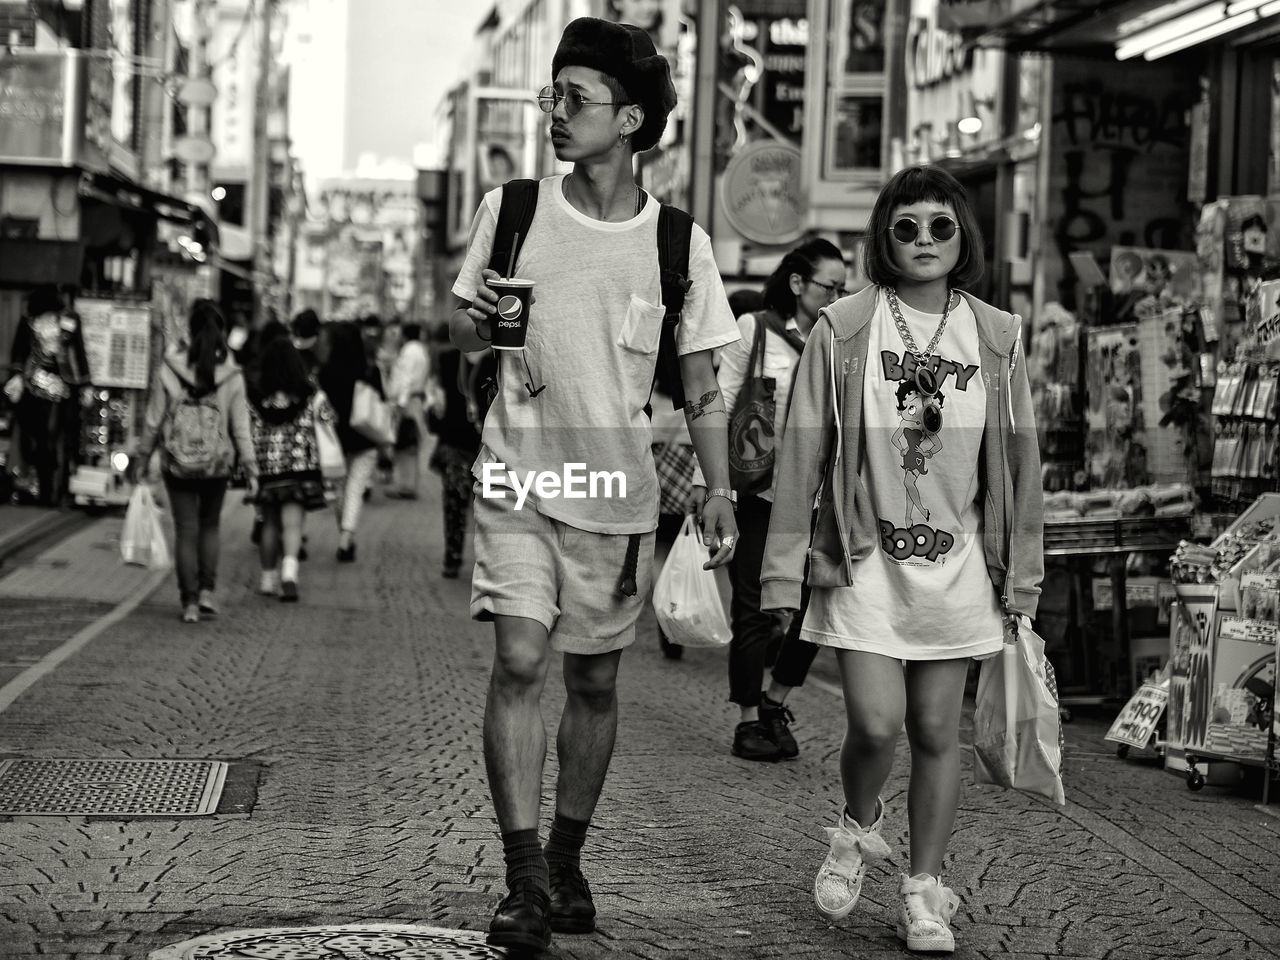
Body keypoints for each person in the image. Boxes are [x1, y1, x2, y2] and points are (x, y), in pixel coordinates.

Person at [449, 17, 740, 953]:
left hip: (615, 494)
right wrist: (482, 325)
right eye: (551, 95)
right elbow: (464, 330)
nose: (554, 113)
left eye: (573, 99)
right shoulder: (516, 209)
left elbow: (701, 384)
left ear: (630, 119)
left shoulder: (679, 245)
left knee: (595, 681)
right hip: (518, 476)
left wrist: (721, 489)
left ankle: (569, 862)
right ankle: (525, 878)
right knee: (522, 661)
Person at [760, 165, 1043, 953]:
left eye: (940, 226)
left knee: (932, 728)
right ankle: (855, 825)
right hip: (864, 561)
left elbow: (1021, 465)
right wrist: (782, 574)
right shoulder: (846, 328)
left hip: (958, 567)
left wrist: (1021, 576)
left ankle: (925, 889)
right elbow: (802, 453)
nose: (923, 240)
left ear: (963, 237)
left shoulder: (996, 335)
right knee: (876, 724)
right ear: (883, 236)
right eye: (906, 226)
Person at [718, 238, 846, 762]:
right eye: (829, 286)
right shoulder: (754, 332)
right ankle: (748, 719)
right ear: (797, 283)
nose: (838, 295)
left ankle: (776, 700)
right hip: (761, 492)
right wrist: (716, 489)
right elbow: (725, 402)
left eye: (844, 288)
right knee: (752, 606)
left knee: (818, 605)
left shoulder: (843, 342)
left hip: (821, 498)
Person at [134, 299, 257, 623]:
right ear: (222, 334)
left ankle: (188, 602)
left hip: (177, 462)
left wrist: (143, 455)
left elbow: (153, 419)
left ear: (189, 331)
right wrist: (251, 465)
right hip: (217, 463)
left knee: (186, 529)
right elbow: (241, 426)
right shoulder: (232, 376)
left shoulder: (170, 368)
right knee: (210, 526)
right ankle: (206, 592)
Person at [247, 336, 334, 602]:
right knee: (293, 525)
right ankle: (289, 575)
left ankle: (267, 579)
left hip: (268, 470)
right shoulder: (312, 396)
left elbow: (247, 431)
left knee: (270, 523)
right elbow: (328, 422)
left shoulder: (255, 398)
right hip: (300, 470)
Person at [5, 286, 90, 506]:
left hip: (57, 389)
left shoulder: (65, 321)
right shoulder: (36, 322)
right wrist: (16, 375)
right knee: (44, 441)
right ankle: (47, 489)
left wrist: (85, 382)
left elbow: (78, 351)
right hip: (45, 389)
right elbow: (20, 350)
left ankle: (53, 489)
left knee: (55, 440)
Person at [317, 321, 386, 563]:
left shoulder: (325, 372)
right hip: (365, 437)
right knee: (356, 489)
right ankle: (346, 538)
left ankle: (345, 534)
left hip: (335, 440)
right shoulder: (370, 370)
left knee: (338, 491)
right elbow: (382, 402)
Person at [424, 324, 482, 578]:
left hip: (491, 448)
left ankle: (487, 562)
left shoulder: (502, 360)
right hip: (455, 443)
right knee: (455, 500)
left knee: (490, 508)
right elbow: (434, 403)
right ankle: (453, 555)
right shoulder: (447, 360)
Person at [388, 322, 429, 499]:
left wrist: (400, 404)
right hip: (417, 400)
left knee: (404, 445)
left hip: (407, 401)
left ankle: (404, 485)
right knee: (412, 444)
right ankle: (410, 484)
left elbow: (405, 378)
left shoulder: (408, 352)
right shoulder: (421, 351)